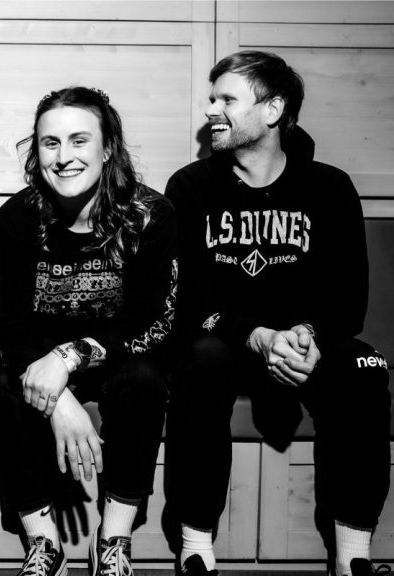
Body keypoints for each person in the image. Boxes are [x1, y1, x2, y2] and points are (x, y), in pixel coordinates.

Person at [163, 50, 391, 576]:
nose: (210, 110)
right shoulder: (191, 187)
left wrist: (307, 333)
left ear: (273, 110)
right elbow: (189, 300)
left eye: (226, 99)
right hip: (227, 342)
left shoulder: (329, 187)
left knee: (365, 368)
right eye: (211, 98)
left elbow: (350, 298)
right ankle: (195, 547)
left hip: (306, 343)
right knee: (200, 362)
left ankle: (353, 556)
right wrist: (258, 335)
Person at [0, 87, 177, 576]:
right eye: (50, 143)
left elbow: (154, 319)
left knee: (145, 380)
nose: (64, 156)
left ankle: (112, 540)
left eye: (79, 140)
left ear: (107, 148)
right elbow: (5, 327)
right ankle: (44, 544)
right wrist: (58, 399)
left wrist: (68, 358)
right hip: (38, 360)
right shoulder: (17, 219)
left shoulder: (150, 215)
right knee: (1, 385)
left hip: (117, 357)